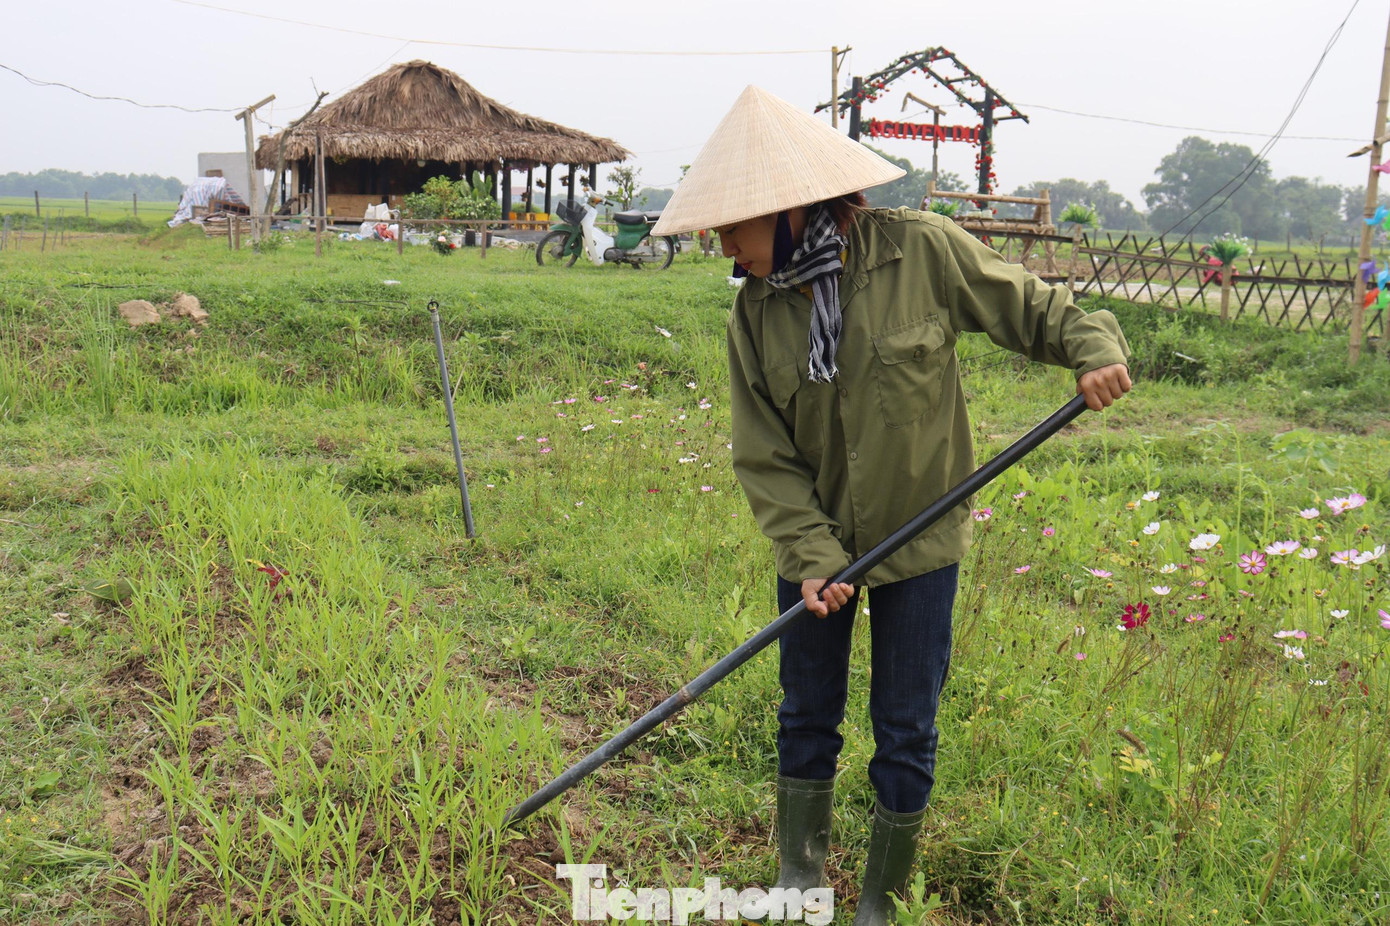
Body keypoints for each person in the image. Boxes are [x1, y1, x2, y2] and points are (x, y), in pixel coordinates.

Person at [651, 86, 1132, 925]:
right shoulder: (754, 311)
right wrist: (812, 556)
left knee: (906, 726)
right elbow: (764, 454)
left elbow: (1032, 308)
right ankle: (800, 879)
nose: (721, 243)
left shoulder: (921, 252)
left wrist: (1091, 348)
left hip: (921, 538)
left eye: (733, 225)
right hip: (815, 552)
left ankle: (882, 898)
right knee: (806, 714)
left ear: (792, 208)